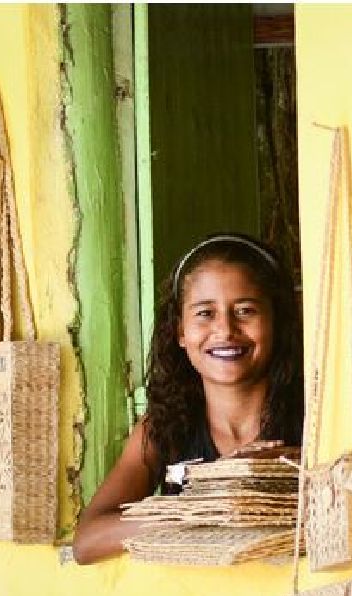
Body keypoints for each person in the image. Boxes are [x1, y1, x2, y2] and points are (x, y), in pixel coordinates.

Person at [72, 234, 303, 564]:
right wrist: (196, 511)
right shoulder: (162, 429)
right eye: (205, 313)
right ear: (180, 331)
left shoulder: (314, 421)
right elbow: (87, 542)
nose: (225, 329)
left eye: (245, 310)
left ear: (277, 323)